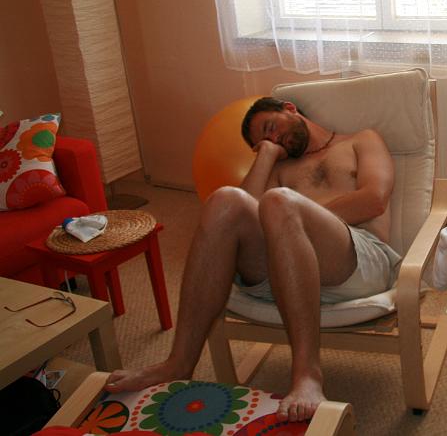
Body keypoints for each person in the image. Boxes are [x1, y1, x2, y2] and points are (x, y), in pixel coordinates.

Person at [104, 96, 399, 423]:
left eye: (271, 128)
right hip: (285, 272)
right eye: (265, 141)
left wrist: (295, 218)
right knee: (224, 200)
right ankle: (179, 363)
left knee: (279, 202)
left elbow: (374, 200)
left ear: (289, 108)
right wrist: (268, 156)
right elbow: (242, 213)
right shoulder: (278, 168)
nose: (274, 139)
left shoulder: (360, 140)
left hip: (358, 262)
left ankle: (307, 374)